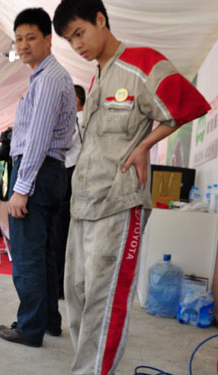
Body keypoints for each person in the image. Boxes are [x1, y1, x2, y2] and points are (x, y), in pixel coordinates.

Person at [52, 1, 211, 373]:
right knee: (76, 298)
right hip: (82, 206)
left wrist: (144, 144)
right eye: (69, 40)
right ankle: (87, 367)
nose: (77, 45)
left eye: (80, 32)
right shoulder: (97, 79)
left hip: (118, 204)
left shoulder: (140, 63)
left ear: (101, 20)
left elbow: (189, 105)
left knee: (104, 302)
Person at [0, 8, 76, 349]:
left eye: (31, 37)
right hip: (51, 173)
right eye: (18, 39)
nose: (24, 45)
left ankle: (29, 329)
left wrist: (21, 188)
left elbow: (39, 139)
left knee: (28, 255)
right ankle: (48, 322)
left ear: (48, 39)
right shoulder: (52, 77)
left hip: (37, 172)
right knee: (43, 253)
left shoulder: (48, 79)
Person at [53, 84, 86, 299]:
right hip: (78, 177)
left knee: (60, 233)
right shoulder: (88, 121)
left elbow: (62, 145)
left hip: (68, 174)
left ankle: (59, 287)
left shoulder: (76, 120)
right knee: (68, 234)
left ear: (74, 100)